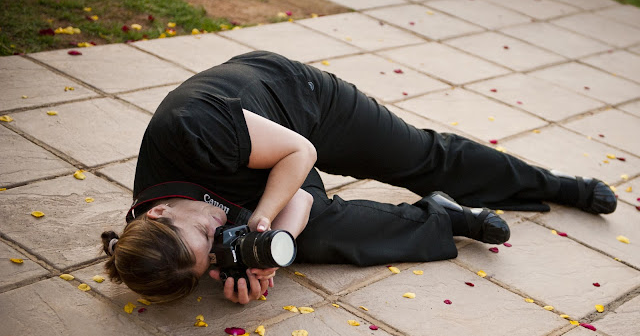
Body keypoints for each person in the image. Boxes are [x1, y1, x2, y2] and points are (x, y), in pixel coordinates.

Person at [100, 51, 617, 304]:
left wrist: (260, 217)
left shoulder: (189, 130)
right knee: (311, 238)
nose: (220, 234)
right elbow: (302, 200)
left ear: (160, 211)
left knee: (421, 156)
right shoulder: (181, 224)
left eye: (208, 234)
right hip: (256, 167)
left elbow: (299, 153)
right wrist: (270, 250)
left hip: (302, 105)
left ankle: (554, 184)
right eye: (209, 258)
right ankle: (442, 217)